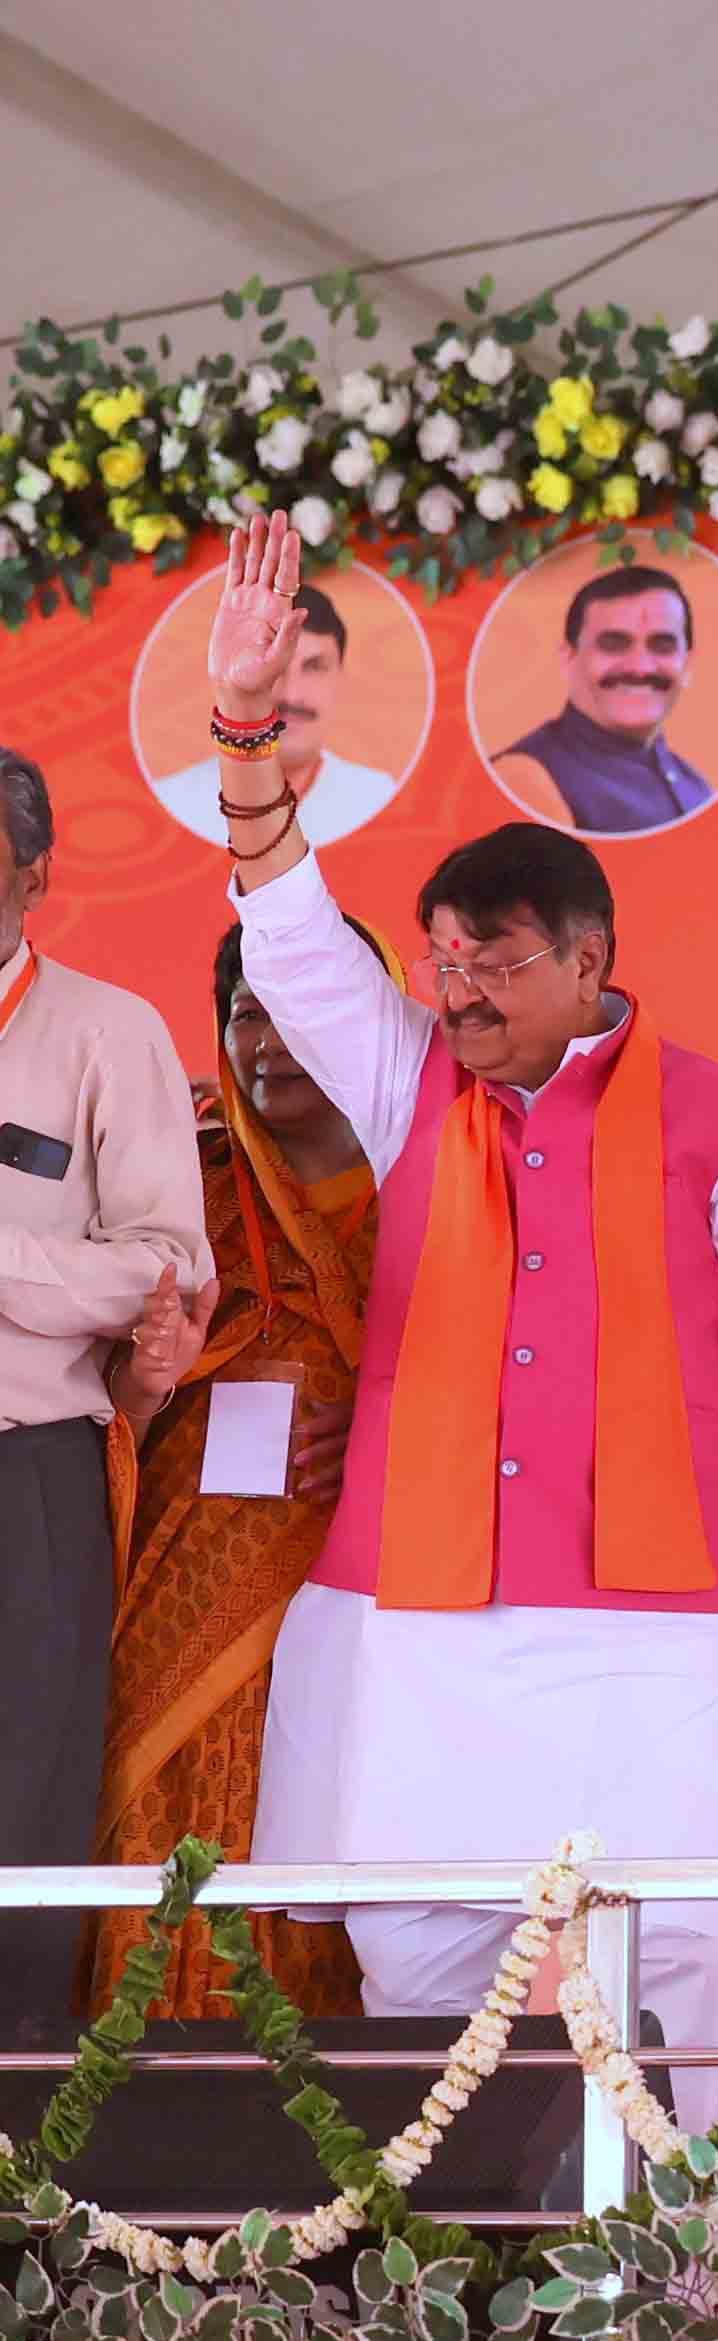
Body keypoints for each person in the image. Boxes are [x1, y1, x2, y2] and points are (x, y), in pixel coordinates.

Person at [206, 514, 718, 2132]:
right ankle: (464, 2313)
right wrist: (247, 729)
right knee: (430, 1977)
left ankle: (684, 2327)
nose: (463, 995)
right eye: (444, 965)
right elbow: (285, 937)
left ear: (590, 960)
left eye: (496, 968)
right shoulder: (408, 1076)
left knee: (674, 1980)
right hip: (425, 1630)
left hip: (671, 1635)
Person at [87, 921, 387, 2018]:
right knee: (145, 1789)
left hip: (364, 1579)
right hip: (184, 1553)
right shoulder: (189, 1182)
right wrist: (148, 1380)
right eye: (245, 1013)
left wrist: (388, 1420)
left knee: (310, 1822)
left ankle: (315, 2141)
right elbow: (102, 1370)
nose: (266, 1041)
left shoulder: (441, 1192)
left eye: (297, 1011)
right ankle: (126, 2129)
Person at [0, 745, 211, 2035]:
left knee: (24, 1807)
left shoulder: (106, 1029)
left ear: (32, 870)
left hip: (27, 1474)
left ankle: (14, 2170)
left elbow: (165, 1267)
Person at [154, 584, 400, 847]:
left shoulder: (376, 794)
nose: (292, 695)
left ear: (341, 678)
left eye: (314, 667)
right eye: (275, 666)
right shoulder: (177, 796)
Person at [495, 565, 715, 835]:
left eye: (662, 645)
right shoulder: (525, 777)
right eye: (613, 644)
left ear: (687, 663)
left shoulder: (695, 785)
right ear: (568, 658)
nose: (640, 667)